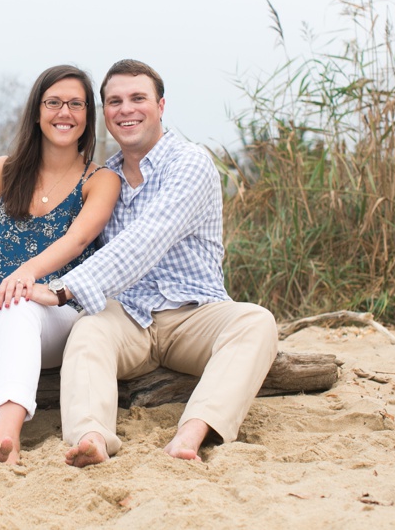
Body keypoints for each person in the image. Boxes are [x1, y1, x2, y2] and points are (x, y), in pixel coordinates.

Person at [24, 59, 279, 467]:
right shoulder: (104, 178)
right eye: (114, 101)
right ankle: (91, 437)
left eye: (138, 98)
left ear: (161, 105)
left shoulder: (190, 163)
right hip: (130, 316)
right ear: (104, 113)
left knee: (256, 322)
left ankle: (190, 434)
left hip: (193, 312)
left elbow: (147, 239)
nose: (126, 109)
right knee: (89, 331)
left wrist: (64, 289)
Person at [0, 65, 120, 466]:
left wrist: (25, 276)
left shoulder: (100, 179)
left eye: (76, 104)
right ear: (37, 111)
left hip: (55, 313)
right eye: (54, 103)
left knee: (20, 305)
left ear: (87, 116)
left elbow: (76, 240)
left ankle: (8, 435)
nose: (65, 112)